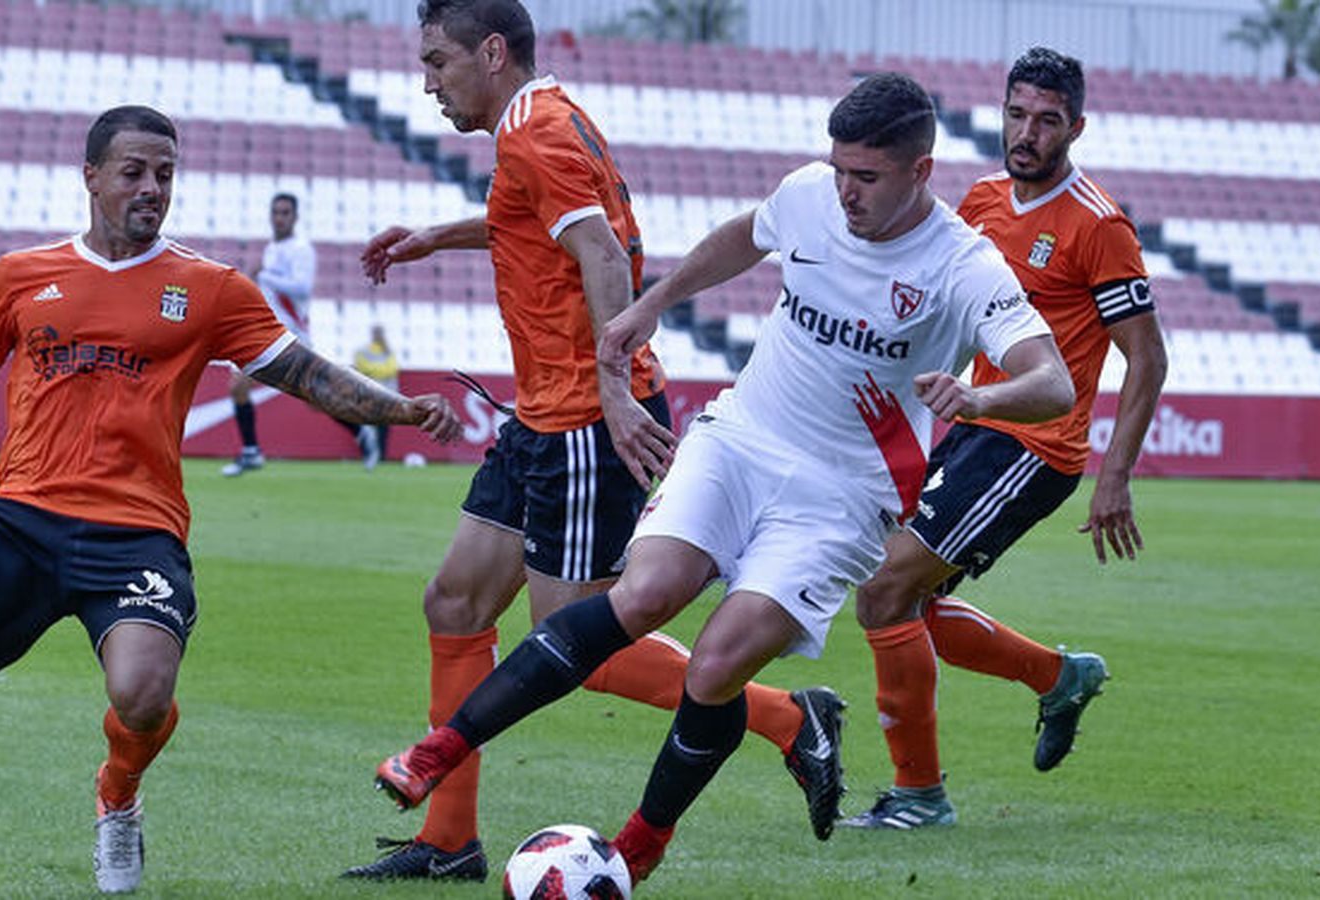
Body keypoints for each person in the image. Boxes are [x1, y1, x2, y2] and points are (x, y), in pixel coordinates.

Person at [368, 71, 1075, 886]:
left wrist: (981, 394)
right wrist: (655, 301)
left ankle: (641, 845)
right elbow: (748, 234)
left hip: (842, 496)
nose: (846, 192)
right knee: (639, 596)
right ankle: (438, 751)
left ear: (920, 172)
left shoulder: (961, 264)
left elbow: (1051, 380)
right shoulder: (813, 193)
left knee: (713, 669)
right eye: (840, 169)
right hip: (741, 439)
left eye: (867, 178)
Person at [342, 0, 844, 881]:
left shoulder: (536, 133)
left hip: (581, 414)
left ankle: (789, 720)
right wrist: (439, 236)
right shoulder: (545, 120)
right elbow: (534, 221)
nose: (427, 84)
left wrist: (612, 393)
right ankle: (448, 841)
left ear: (491, 52)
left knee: (573, 641)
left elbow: (606, 258)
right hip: (544, 411)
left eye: (437, 62)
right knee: (455, 605)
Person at [0, 105, 460, 894]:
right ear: (92, 176)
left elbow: (304, 372)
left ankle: (118, 794)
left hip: (136, 529)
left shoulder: (209, 288)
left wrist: (401, 409)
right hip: (24, 514)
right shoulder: (17, 277)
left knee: (142, 697)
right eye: (134, 172)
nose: (151, 188)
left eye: (165, 174)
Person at [840, 47, 1169, 830]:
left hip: (1036, 448)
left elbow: (1147, 358)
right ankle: (1059, 677)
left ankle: (920, 797)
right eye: (1017, 114)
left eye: (1047, 121)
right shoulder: (983, 198)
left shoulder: (1098, 226)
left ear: (1075, 128)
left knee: (885, 590)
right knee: (904, 607)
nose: (1027, 132)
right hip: (974, 424)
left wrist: (1113, 476)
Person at [220, 193, 383, 475]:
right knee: (238, 387)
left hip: (292, 335)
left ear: (295, 217)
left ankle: (362, 433)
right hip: (265, 334)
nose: (279, 218)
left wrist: (264, 274)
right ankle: (251, 452)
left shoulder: (300, 249)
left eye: (285, 213)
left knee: (317, 400)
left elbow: (302, 288)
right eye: (276, 212)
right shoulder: (271, 249)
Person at [353, 324, 401, 466]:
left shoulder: (389, 351)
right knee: (367, 427)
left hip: (386, 396)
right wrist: (381, 369)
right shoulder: (363, 350)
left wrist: (375, 370)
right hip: (369, 395)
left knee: (383, 427)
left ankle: (381, 456)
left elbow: (392, 369)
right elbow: (363, 367)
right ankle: (368, 455)